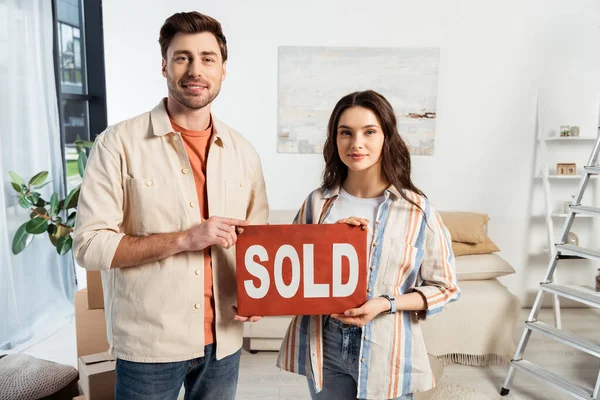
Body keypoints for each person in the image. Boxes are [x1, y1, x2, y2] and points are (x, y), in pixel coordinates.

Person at [73, 11, 268, 400]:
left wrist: (257, 296)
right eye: (183, 57)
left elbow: (255, 245)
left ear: (223, 69)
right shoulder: (118, 144)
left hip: (225, 342)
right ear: (164, 64)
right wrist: (185, 239)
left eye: (207, 58)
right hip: (150, 346)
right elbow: (89, 246)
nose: (195, 69)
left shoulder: (244, 153)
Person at [277, 90, 460, 399]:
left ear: (387, 136)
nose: (356, 143)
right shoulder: (317, 204)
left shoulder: (416, 209)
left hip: (387, 345)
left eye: (369, 131)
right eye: (345, 132)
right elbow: (294, 274)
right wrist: (325, 240)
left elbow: (446, 287)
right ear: (334, 139)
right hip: (326, 343)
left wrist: (384, 304)